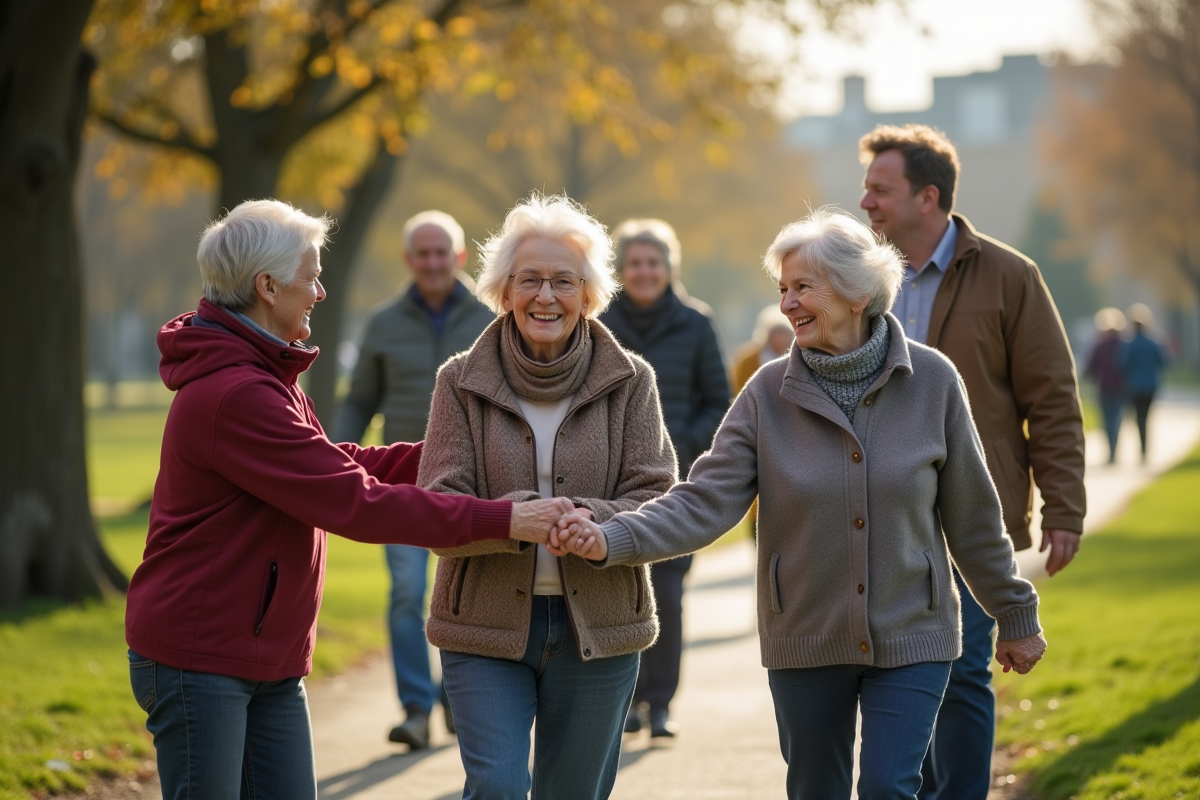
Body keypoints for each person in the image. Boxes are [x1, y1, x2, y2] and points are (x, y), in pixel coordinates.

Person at [553, 208, 1047, 800]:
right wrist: (616, 537)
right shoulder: (766, 395)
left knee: (891, 787)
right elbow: (704, 499)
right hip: (805, 636)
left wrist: (1014, 614)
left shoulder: (933, 381)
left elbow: (973, 517)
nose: (787, 304)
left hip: (913, 631)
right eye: (782, 289)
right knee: (816, 790)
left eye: (803, 288)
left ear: (857, 292)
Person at [125, 199, 573, 800]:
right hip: (202, 659)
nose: (320, 291)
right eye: (310, 276)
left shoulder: (264, 375)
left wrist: (467, 448)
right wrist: (507, 519)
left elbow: (341, 463)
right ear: (267, 286)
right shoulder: (237, 393)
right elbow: (354, 502)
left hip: (265, 656)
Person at [417, 193, 678, 800]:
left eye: (565, 281)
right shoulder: (458, 380)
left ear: (588, 294)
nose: (546, 296)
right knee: (499, 787)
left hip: (601, 628)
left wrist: (596, 522)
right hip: (482, 627)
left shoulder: (632, 380)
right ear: (503, 290)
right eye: (529, 279)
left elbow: (658, 492)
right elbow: (436, 501)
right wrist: (515, 519)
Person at [857, 124, 1086, 800]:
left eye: (880, 189)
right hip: (877, 513)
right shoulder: (859, 280)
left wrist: (1064, 506)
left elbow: (1052, 398)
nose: (865, 203)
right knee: (900, 671)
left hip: (969, 514)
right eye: (865, 189)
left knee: (961, 672)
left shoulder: (1011, 276)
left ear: (928, 196)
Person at [332, 210, 493, 749]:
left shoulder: (494, 316)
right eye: (422, 254)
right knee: (406, 591)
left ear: (459, 256)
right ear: (409, 260)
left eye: (441, 252)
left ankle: (458, 693)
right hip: (403, 481)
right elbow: (359, 400)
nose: (432, 262)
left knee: (468, 593)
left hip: (476, 482)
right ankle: (416, 707)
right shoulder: (383, 323)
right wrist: (334, 456)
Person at [599, 218, 731, 738]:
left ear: (669, 267)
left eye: (653, 262)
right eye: (634, 263)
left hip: (676, 483)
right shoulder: (597, 321)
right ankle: (624, 701)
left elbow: (718, 403)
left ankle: (660, 705)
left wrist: (680, 444)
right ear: (621, 270)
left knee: (669, 593)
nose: (644, 272)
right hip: (609, 484)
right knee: (613, 590)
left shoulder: (697, 324)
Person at [1122, 303, 1169, 463]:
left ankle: (1142, 448)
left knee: (1139, 417)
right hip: (1151, 385)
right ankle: (1145, 448)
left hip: (1135, 385)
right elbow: (1164, 362)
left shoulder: (1130, 343)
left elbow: (1122, 363)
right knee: (1146, 416)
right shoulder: (1154, 342)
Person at [1084, 307, 1128, 464]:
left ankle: (1111, 452)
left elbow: (1090, 368)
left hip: (1104, 387)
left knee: (1106, 420)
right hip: (1121, 387)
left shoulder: (1099, 346)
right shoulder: (1124, 345)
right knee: (1116, 419)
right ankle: (1114, 451)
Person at [732, 303, 794, 394]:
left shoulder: (795, 357)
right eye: (778, 333)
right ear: (768, 334)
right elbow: (739, 390)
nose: (781, 338)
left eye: (784, 333)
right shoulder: (748, 359)